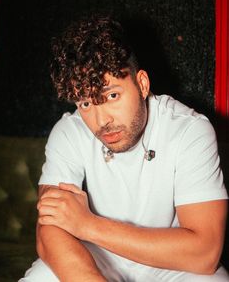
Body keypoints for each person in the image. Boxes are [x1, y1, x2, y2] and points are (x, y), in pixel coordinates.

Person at [20, 16, 229, 281]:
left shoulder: (189, 130)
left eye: (111, 96)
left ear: (142, 84)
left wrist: (87, 224)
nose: (101, 120)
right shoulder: (69, 132)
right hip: (97, 256)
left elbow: (204, 253)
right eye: (85, 104)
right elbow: (49, 232)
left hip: (170, 263)